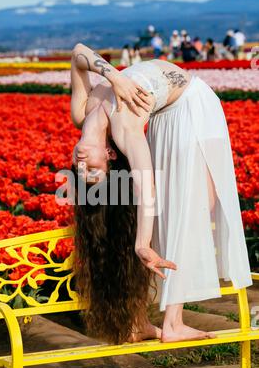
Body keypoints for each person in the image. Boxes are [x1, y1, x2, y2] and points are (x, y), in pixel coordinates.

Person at [69, 42, 253, 345]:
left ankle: (144, 323)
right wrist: (142, 243)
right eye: (93, 174)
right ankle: (171, 324)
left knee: (186, 209)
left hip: (166, 114)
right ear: (109, 155)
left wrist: (115, 78)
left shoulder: (81, 111)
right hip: (192, 103)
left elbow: (78, 54)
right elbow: (146, 187)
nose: (81, 168)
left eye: (82, 175)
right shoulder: (125, 130)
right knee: (197, 207)